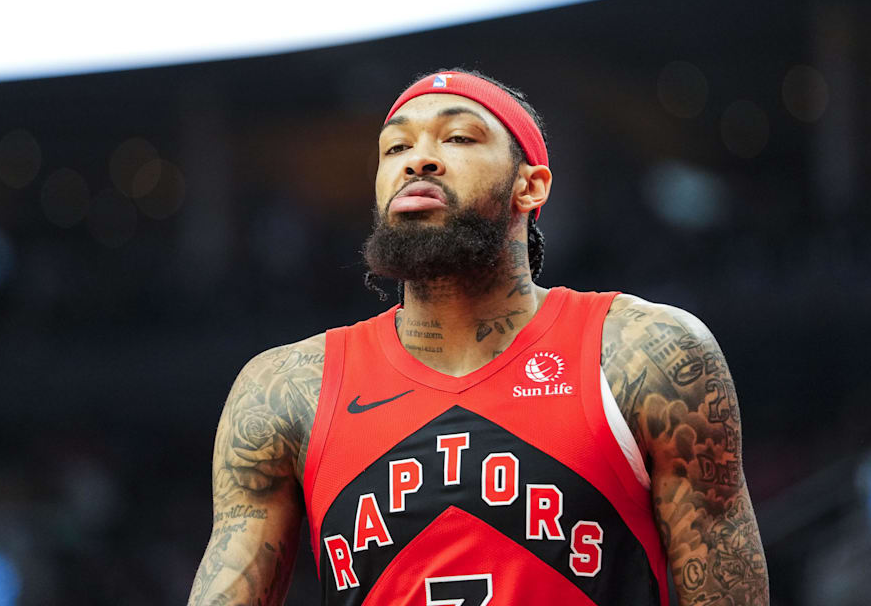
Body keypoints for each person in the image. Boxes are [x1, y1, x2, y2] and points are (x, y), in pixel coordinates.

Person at [188, 69, 770, 606]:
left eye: (458, 139)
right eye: (396, 147)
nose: (419, 160)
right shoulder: (285, 389)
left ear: (530, 186)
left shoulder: (647, 353)